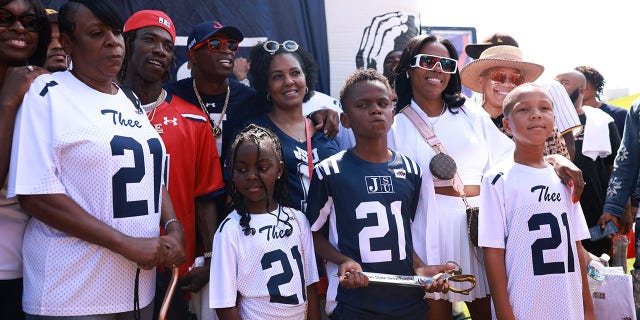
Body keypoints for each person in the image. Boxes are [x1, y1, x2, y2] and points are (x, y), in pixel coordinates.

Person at [7, 1, 185, 318]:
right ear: (68, 44)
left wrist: (173, 226)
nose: (112, 42)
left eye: (116, 32)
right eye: (96, 33)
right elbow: (36, 195)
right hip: (70, 293)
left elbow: (148, 173)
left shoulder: (128, 98)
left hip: (136, 289)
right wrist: (125, 243)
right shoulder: (45, 92)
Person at [306, 68, 452, 319]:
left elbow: (402, 233)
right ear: (346, 120)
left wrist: (419, 267)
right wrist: (342, 261)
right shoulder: (329, 171)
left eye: (383, 103)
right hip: (354, 302)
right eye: (363, 105)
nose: (375, 110)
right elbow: (313, 234)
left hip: (407, 300)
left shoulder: (411, 170)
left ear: (392, 115)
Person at [388, 34, 514, 319]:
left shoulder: (470, 112)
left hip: (479, 227)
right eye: (428, 61)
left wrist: (553, 159)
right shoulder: (395, 125)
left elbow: (508, 160)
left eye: (445, 63)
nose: (437, 70)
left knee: (493, 314)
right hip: (427, 229)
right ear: (409, 68)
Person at [119, 10, 225, 320]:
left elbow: (205, 197)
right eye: (149, 40)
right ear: (126, 44)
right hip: (111, 258)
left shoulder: (193, 120)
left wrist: (207, 260)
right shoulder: (94, 108)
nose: (160, 51)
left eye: (167, 46)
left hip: (173, 266)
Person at [480, 83, 594, 320]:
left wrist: (588, 310)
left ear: (554, 118)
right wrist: (504, 313)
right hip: (524, 304)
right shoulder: (497, 180)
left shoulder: (565, 178)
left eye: (545, 108)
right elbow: (492, 252)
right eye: (523, 110)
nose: (536, 114)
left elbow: (576, 247)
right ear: (506, 124)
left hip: (568, 304)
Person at [210, 124, 320, 320]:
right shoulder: (229, 231)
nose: (252, 175)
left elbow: (310, 286)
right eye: (242, 169)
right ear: (232, 174)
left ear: (279, 169)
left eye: (262, 168)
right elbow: (224, 306)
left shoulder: (298, 220)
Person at [245, 40, 340, 213]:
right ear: (266, 85)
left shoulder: (324, 127)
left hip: (331, 236)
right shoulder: (253, 133)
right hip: (283, 236)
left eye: (295, 73)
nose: (289, 82)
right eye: (278, 76)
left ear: (306, 78)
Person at [0, 1, 50, 318]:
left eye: (31, 22)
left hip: (36, 276)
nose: (19, 28)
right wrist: (7, 102)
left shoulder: (48, 92)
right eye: (5, 18)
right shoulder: (15, 94)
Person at [465, 34, 581, 158]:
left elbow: (563, 168)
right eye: (498, 77)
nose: (507, 84)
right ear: (481, 79)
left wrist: (556, 161)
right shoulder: (465, 122)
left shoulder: (541, 127)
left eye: (516, 78)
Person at [555, 70, 620, 256]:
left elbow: (615, 170)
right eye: (556, 82)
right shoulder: (544, 120)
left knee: (599, 273)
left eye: (564, 83)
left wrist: (614, 211)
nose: (557, 87)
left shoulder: (602, 122)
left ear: (581, 91)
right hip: (559, 212)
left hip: (596, 216)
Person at [576, 65, 627, 138]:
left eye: (584, 81)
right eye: (576, 83)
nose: (580, 86)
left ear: (595, 83)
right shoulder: (567, 118)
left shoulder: (620, 114)